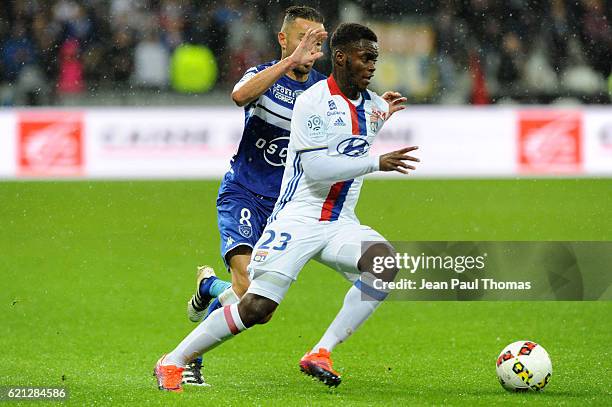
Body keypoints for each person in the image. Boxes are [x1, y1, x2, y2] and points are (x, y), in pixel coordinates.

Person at [155, 22, 419, 392]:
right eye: (367, 57)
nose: (373, 65)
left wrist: (382, 115)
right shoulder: (311, 100)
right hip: (298, 216)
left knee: (384, 263)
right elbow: (317, 167)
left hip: (340, 222)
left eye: (376, 58)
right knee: (256, 308)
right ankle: (174, 360)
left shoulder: (374, 106)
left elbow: (354, 134)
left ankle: (321, 352)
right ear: (341, 58)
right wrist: (378, 162)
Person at [181, 6, 327, 385]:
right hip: (244, 192)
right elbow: (239, 96)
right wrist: (288, 63)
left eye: (318, 42)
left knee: (260, 309)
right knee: (245, 285)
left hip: (285, 208)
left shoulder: (324, 91)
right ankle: (188, 359)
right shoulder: (262, 76)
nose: (311, 49)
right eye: (303, 39)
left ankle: (209, 287)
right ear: (284, 40)